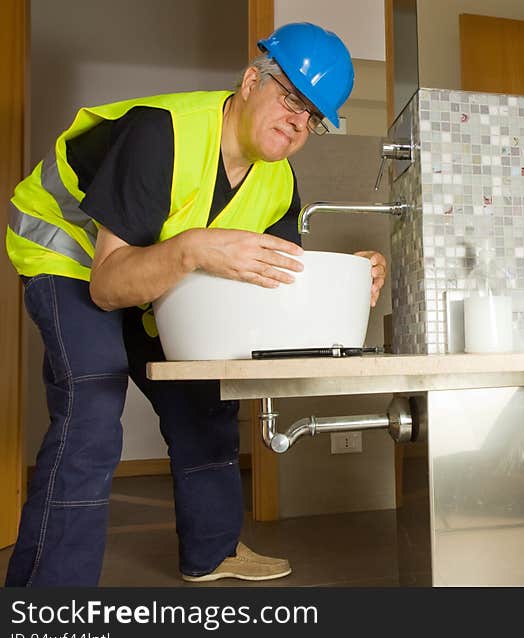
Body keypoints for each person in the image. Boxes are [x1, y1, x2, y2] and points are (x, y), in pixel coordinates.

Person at [4, 22, 387, 586]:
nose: (297, 122)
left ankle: (213, 551)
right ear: (251, 79)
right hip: (69, 254)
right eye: (291, 99)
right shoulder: (162, 134)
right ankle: (48, 604)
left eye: (313, 117)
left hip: (155, 267)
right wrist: (192, 250)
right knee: (92, 404)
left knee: (202, 398)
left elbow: (273, 283)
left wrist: (350, 277)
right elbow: (108, 287)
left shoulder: (279, 182)